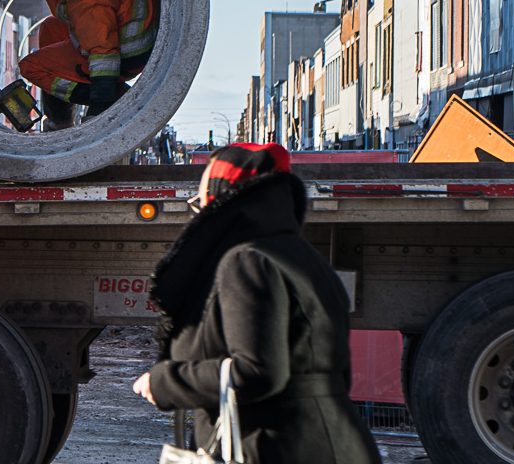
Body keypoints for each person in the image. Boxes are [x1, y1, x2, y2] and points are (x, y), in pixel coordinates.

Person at [133, 144, 380, 464]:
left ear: (223, 200)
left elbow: (257, 372)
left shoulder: (247, 260)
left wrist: (164, 382)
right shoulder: (304, 258)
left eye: (204, 203)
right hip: (335, 442)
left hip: (272, 446)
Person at [13, 0, 158, 130]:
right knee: (50, 29)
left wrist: (101, 104)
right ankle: (60, 118)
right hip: (139, 17)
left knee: (32, 66)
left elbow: (103, 53)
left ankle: (116, 98)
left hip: (129, 54)